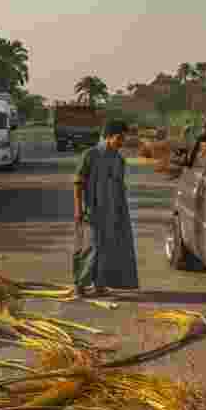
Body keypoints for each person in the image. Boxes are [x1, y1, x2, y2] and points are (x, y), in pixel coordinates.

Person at [72, 119, 140, 298]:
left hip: (113, 210)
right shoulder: (90, 154)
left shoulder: (119, 159)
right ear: (108, 136)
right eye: (119, 137)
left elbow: (119, 187)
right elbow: (78, 183)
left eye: (124, 138)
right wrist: (78, 209)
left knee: (108, 248)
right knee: (93, 247)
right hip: (92, 210)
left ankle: (100, 285)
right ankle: (80, 285)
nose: (122, 142)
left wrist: (120, 213)